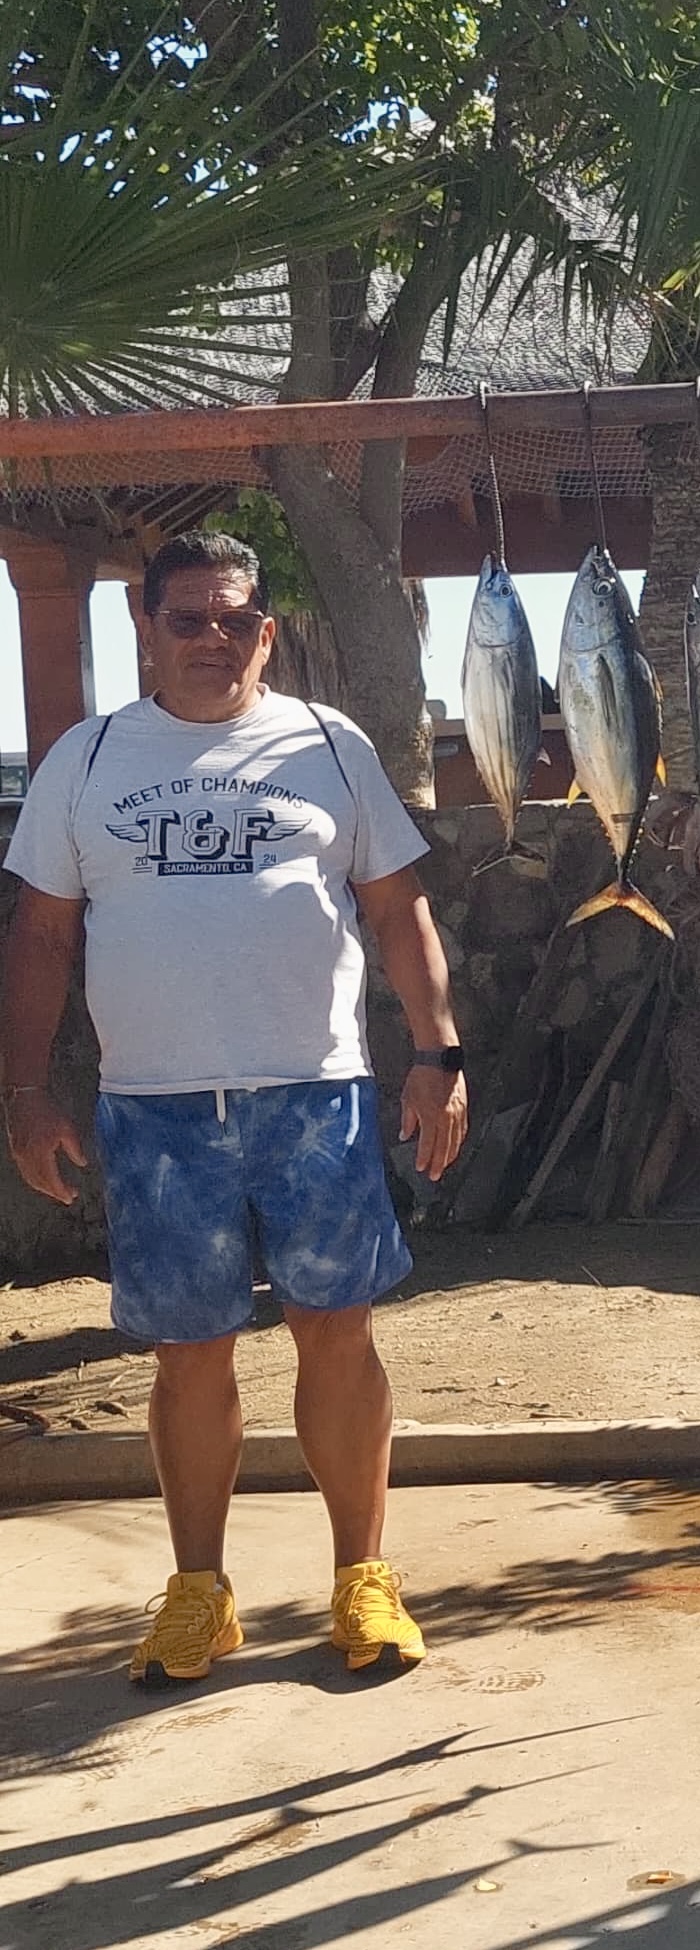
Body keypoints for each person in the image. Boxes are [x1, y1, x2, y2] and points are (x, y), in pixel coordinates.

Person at [1, 531, 469, 1685]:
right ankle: (199, 1593)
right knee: (189, 1354)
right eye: (186, 620)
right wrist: (24, 1090)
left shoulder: (327, 745)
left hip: (316, 1097)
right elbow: (44, 937)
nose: (213, 640)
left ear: (267, 630)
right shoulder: (87, 761)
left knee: (337, 1334)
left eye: (234, 620)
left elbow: (397, 913)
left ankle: (362, 1580)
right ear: (144, 631)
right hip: (157, 1113)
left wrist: (438, 1054)